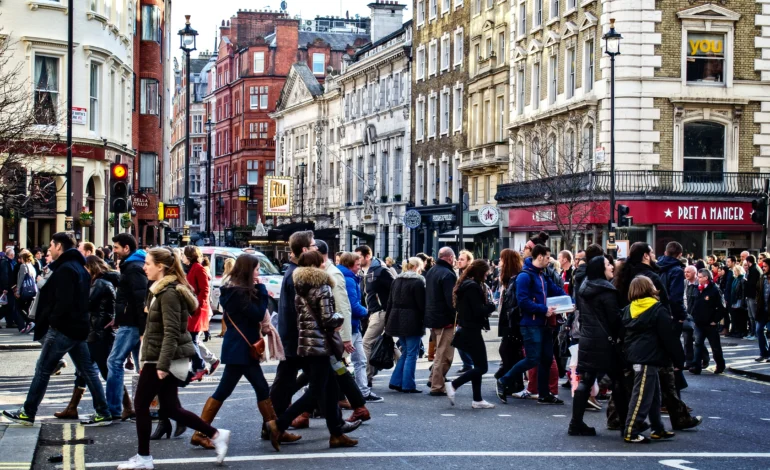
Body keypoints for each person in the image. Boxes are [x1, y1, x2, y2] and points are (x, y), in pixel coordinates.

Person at [118, 248, 231, 469]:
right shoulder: (160, 290)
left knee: (141, 405)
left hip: (161, 357)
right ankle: (216, 435)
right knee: (170, 408)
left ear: (160, 266)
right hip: (159, 354)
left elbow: (171, 331)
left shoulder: (168, 293)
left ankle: (144, 457)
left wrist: (162, 364)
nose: (144, 267)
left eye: (148, 263)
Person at [190, 254, 300, 450]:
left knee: (256, 388)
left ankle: (275, 429)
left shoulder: (235, 291)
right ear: (249, 271)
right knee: (230, 390)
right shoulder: (239, 294)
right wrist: (262, 289)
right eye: (257, 270)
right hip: (241, 349)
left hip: (240, 348)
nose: (259, 274)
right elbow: (257, 314)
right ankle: (200, 432)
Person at [2, 233, 112, 427]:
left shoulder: (66, 269)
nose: (48, 250)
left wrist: (53, 321)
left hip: (63, 328)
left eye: (51, 245)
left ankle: (28, 412)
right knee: (87, 370)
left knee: (43, 369)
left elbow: (62, 301)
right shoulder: (79, 267)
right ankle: (103, 411)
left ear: (59, 246)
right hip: (79, 327)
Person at [265, 250, 358, 450]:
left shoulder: (300, 287)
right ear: (318, 264)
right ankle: (279, 424)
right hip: (320, 345)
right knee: (316, 390)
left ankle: (337, 432)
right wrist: (339, 318)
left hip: (306, 344)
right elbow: (327, 318)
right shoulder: (322, 286)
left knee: (330, 387)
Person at [496, 244, 566, 405]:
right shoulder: (525, 276)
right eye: (548, 257)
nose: (550, 260)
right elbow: (523, 301)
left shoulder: (542, 275)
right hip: (530, 324)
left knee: (547, 358)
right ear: (539, 256)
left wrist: (570, 301)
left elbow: (555, 290)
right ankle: (504, 380)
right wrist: (544, 309)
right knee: (533, 358)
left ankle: (543, 394)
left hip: (544, 323)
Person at [54, 256, 120, 420]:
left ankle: (125, 406)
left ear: (91, 268)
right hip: (93, 332)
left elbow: (85, 303)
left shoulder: (100, 284)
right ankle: (72, 408)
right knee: (83, 371)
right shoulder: (98, 283)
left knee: (105, 371)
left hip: (99, 334)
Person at [622, 276, 684, 444]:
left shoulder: (629, 309)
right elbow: (669, 337)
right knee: (641, 396)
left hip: (634, 356)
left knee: (654, 394)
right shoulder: (657, 309)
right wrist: (679, 360)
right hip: (648, 357)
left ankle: (658, 428)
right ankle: (631, 430)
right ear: (650, 289)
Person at [569, 256, 626, 436]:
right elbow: (615, 320)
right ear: (601, 269)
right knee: (618, 380)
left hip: (588, 339)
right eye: (608, 265)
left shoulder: (585, 286)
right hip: (606, 342)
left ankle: (575, 423)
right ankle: (626, 424)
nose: (611, 267)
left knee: (586, 380)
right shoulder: (606, 291)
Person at [317, 240, 370, 424]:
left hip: (329, 335)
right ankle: (354, 407)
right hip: (325, 335)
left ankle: (304, 413)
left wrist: (345, 337)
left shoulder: (335, 276)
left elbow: (344, 308)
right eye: (357, 264)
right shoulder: (330, 274)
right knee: (334, 371)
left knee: (332, 371)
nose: (359, 267)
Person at [106, 234, 147, 421]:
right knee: (142, 365)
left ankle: (113, 408)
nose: (114, 251)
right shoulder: (133, 266)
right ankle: (144, 406)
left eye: (116, 247)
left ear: (126, 248)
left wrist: (142, 329)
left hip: (131, 323)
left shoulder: (133, 269)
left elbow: (140, 300)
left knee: (114, 362)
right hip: (132, 322)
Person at [446, 259, 497, 408]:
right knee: (482, 367)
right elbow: (478, 311)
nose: (487, 277)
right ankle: (454, 385)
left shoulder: (465, 284)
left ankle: (477, 399)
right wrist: (491, 307)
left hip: (467, 328)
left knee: (477, 365)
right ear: (480, 272)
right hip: (472, 329)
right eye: (486, 273)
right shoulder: (473, 287)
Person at [355, 245, 394, 401]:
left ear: (367, 256)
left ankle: (366, 376)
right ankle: (403, 376)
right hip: (372, 312)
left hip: (380, 312)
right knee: (391, 345)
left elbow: (394, 288)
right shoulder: (365, 272)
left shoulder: (381, 271)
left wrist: (386, 307)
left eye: (359, 257)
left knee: (366, 343)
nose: (357, 260)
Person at [385, 257, 426, 394]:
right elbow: (421, 305)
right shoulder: (418, 282)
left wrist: (387, 322)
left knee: (406, 351)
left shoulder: (396, 281)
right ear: (415, 267)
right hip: (412, 320)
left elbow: (389, 302)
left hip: (395, 319)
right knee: (412, 353)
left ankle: (396, 381)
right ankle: (408, 384)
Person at [424, 247, 457, 396]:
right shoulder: (448, 274)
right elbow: (451, 300)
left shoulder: (432, 271)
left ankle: (433, 379)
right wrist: (455, 316)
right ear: (450, 257)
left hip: (433, 316)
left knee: (439, 352)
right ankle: (437, 385)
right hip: (445, 319)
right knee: (445, 355)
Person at [183, 246, 219, 380]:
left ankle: (201, 366)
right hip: (193, 308)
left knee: (191, 339)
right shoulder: (194, 268)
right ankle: (199, 367)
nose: (182, 257)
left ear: (188, 256)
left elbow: (204, 290)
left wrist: (196, 305)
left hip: (197, 309)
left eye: (183, 255)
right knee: (193, 339)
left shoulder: (198, 268)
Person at [495, 249, 524, 396]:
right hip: (509, 322)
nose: (499, 262)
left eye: (501, 259)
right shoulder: (508, 279)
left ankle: (510, 382)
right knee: (510, 353)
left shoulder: (516, 279)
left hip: (513, 323)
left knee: (507, 351)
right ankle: (513, 382)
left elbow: (514, 304)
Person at [689, 269, 727, 375]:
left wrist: (715, 320)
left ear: (706, 278)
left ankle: (720, 365)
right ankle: (696, 366)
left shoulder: (715, 290)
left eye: (700, 277)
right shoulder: (697, 288)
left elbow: (722, 308)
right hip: (699, 323)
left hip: (710, 324)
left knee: (715, 347)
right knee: (697, 344)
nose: (698, 278)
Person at [454, 250, 475, 374]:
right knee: (461, 341)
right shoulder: (459, 273)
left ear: (469, 261)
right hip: (461, 313)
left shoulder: (470, 275)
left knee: (461, 340)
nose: (459, 261)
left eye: (462, 259)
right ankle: (468, 363)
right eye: (458, 258)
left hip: (468, 314)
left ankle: (469, 364)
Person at [13, 251, 37, 333]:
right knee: (27, 308)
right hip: (32, 291)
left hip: (24, 291)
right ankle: (29, 325)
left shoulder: (23, 266)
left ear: (23, 258)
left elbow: (20, 280)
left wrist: (18, 291)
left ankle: (30, 322)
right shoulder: (31, 266)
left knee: (18, 307)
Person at [755, 259, 770, 362]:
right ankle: (763, 353)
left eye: (765, 266)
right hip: (762, 309)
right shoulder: (762, 277)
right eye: (763, 266)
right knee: (759, 330)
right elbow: (758, 291)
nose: (763, 268)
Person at [217, 258, 236, 338]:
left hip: (225, 300)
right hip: (233, 300)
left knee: (225, 316)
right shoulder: (235, 277)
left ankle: (224, 331)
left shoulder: (225, 277)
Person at [745, 255, 761, 341]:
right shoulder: (753, 269)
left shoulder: (754, 270)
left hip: (753, 295)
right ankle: (752, 332)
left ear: (748, 261)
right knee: (751, 316)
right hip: (750, 295)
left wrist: (746, 281)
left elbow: (752, 284)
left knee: (754, 316)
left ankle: (755, 333)